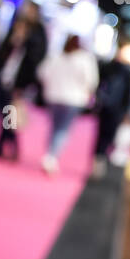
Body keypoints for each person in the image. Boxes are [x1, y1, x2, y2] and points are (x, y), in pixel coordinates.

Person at [0, 1, 47, 160]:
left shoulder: (37, 34)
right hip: (2, 77)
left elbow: (36, 60)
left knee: (8, 117)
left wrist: (25, 42)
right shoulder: (15, 29)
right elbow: (0, 51)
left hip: (17, 83)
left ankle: (3, 146)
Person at [37, 34, 99, 173]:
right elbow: (91, 81)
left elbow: (42, 73)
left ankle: (49, 154)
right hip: (73, 99)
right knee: (62, 129)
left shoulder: (56, 57)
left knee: (54, 127)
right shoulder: (85, 59)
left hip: (54, 96)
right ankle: (51, 157)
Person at [91, 48, 130, 178]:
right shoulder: (125, 72)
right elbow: (128, 95)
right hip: (115, 109)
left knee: (102, 134)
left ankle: (98, 158)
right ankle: (100, 158)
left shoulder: (109, 68)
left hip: (107, 107)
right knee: (107, 135)